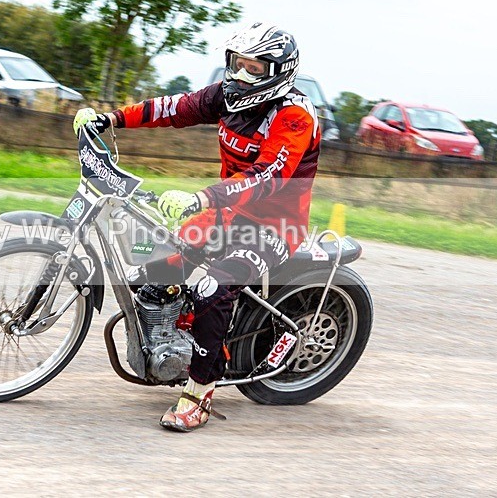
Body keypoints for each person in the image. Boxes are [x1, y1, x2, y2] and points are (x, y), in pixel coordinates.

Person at [73, 22, 321, 432]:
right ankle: (178, 337)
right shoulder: (227, 96)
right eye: (237, 64)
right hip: (225, 212)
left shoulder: (293, 116)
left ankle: (200, 393)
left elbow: (268, 176)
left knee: (212, 285)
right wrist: (109, 119)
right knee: (154, 268)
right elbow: (174, 108)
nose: (241, 75)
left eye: (254, 69)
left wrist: (202, 198)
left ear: (279, 70)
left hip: (274, 227)